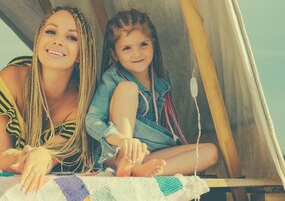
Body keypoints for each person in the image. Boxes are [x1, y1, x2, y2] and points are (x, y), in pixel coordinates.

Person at [86, 9, 218, 177]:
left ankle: (146, 172)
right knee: (129, 88)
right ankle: (126, 162)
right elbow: (92, 119)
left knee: (210, 151)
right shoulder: (112, 78)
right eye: (127, 48)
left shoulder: (162, 79)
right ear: (114, 54)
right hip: (117, 153)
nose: (137, 53)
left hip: (150, 153)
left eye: (143, 44)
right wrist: (123, 141)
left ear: (153, 44)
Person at [0, 7, 96, 194]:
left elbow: (50, 155)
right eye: (51, 31)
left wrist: (41, 156)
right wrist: (22, 158)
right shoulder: (9, 80)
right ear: (38, 39)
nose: (57, 40)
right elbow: (0, 155)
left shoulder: (81, 105)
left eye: (71, 37)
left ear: (81, 54)